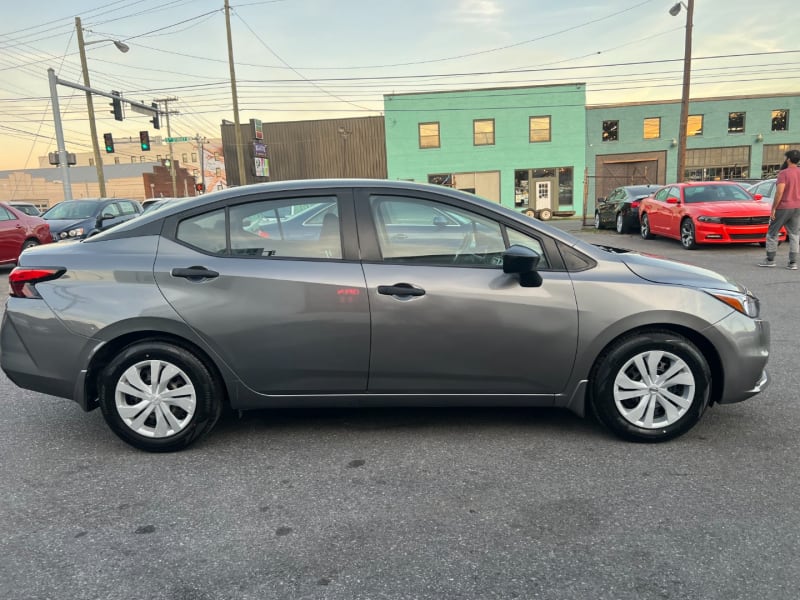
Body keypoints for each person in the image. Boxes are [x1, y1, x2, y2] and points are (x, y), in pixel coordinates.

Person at [759, 149, 800, 269]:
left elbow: (779, 192)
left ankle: (770, 260)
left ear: (788, 159)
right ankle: (793, 263)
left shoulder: (784, 173)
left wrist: (773, 209)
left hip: (784, 206)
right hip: (797, 207)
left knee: (772, 232)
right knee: (794, 235)